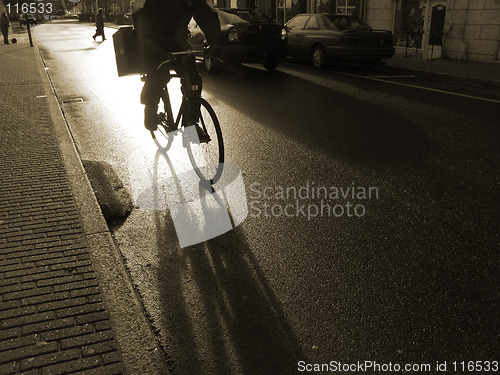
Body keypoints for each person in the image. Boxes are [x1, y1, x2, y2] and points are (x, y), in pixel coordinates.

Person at [130, 0, 221, 131]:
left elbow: (206, 15)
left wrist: (215, 41)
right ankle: (150, 109)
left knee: (194, 79)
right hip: (152, 40)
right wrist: (149, 45)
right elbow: (139, 13)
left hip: (178, 42)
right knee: (158, 75)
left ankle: (190, 125)